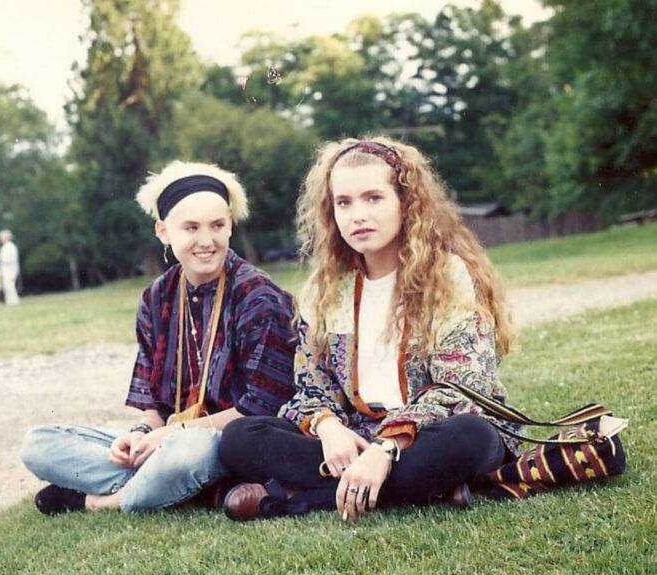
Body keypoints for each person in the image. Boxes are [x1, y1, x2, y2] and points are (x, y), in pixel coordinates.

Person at [218, 137, 522, 522]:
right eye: (344, 202)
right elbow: (312, 386)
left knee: (471, 438)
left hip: (430, 432)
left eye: (373, 198)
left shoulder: (447, 276)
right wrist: (329, 430)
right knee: (240, 438)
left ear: (406, 203)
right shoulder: (328, 288)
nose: (357, 214)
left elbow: (462, 386)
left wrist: (387, 447)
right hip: (357, 434)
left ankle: (291, 498)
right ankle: (427, 489)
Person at [20, 161, 298, 515]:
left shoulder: (257, 295)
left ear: (230, 225)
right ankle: (180, 487)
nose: (206, 241)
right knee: (38, 444)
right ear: (164, 232)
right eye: (191, 228)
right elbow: (154, 405)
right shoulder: (156, 298)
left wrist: (172, 435)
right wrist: (138, 435)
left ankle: (100, 502)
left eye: (217, 225)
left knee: (190, 452)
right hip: (169, 444)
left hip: (230, 442)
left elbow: (263, 407)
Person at [0, 229, 20, 305]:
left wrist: (0, 259)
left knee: (9, 286)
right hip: (6, 270)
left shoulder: (10, 247)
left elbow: (9, 259)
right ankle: (9, 301)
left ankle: (14, 301)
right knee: (6, 286)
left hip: (10, 270)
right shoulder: (6, 247)